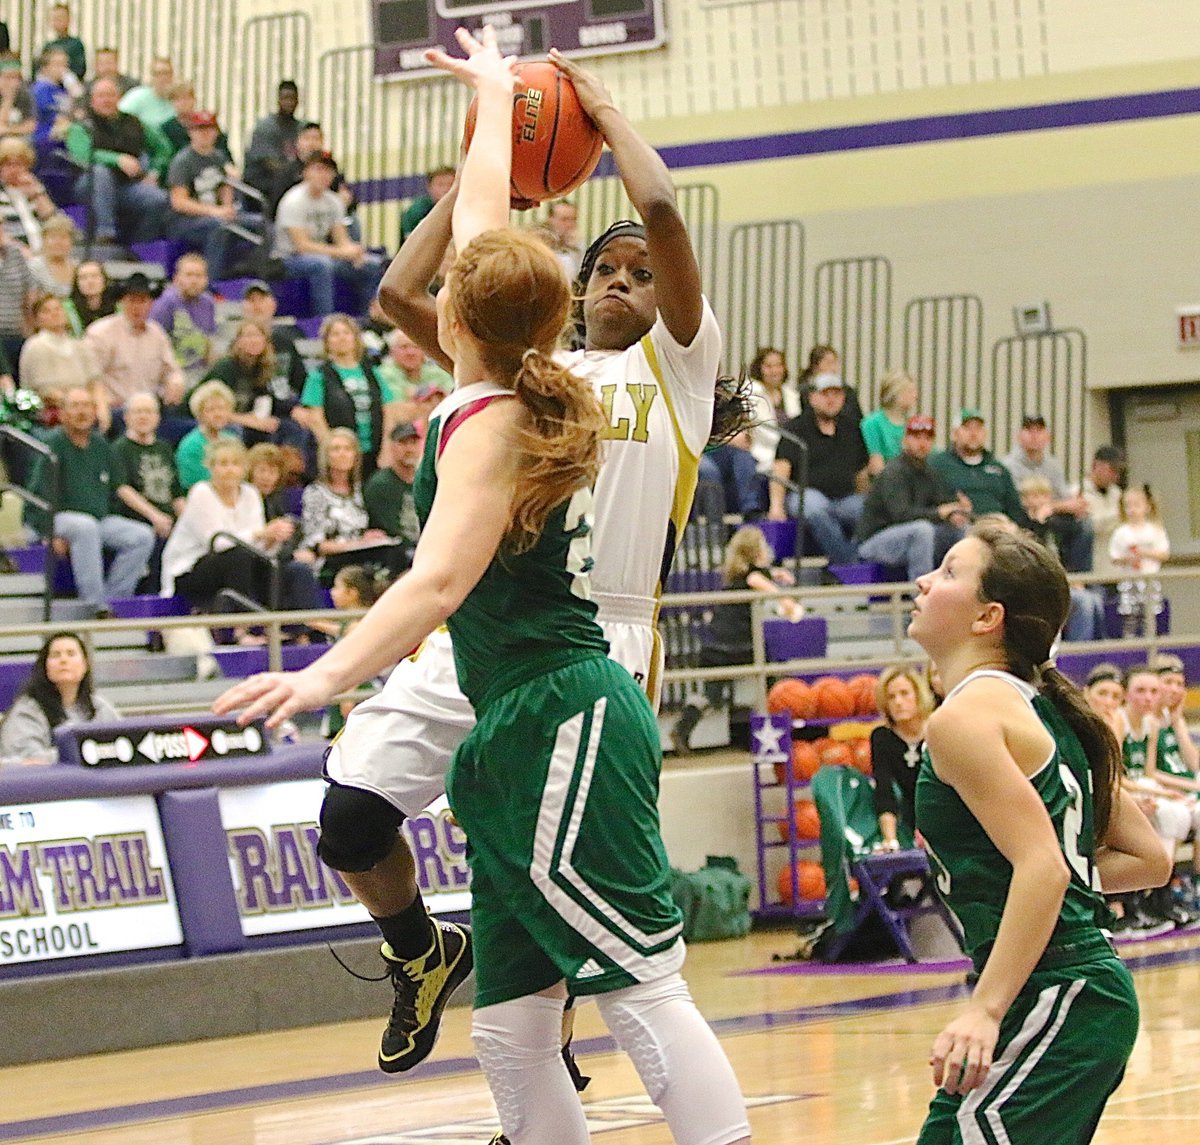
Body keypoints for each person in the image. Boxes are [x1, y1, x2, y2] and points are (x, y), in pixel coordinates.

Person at [215, 29, 748, 1145]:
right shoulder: (541, 379)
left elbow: (439, 570)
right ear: (555, 304)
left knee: (630, 974)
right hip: (503, 656)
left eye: (636, 274)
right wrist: (496, 112)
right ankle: (451, 981)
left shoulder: (648, 374)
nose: (621, 280)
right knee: (396, 861)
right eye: (598, 269)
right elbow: (460, 257)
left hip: (587, 652)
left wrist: (565, 106)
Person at [909, 523, 1170, 1143]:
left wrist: (985, 1008)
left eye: (948, 572)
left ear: (986, 617)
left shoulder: (965, 718)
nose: (924, 581)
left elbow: (1046, 867)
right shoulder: (1043, 708)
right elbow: (1150, 858)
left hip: (1057, 988)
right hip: (1069, 989)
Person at [670, 523, 803, 754]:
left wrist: (775, 574)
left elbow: (761, 575)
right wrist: (785, 600)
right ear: (756, 551)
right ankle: (778, 728)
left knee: (710, 694)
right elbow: (757, 581)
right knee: (771, 675)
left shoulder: (734, 575)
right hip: (737, 644)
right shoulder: (752, 576)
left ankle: (682, 729)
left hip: (715, 644)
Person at [160, 436, 319, 628]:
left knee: (295, 569)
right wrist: (261, 534)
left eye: (235, 464)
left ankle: (305, 633)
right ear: (210, 467)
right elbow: (217, 543)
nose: (229, 470)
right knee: (240, 557)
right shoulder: (201, 493)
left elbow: (260, 549)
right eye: (223, 464)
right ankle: (240, 630)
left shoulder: (250, 493)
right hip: (191, 569)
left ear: (244, 469)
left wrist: (272, 538)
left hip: (242, 563)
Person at [30, 387, 156, 613]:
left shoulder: (102, 446)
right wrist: (48, 532)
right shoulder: (52, 445)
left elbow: (116, 489)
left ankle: (115, 603)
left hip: (99, 519)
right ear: (63, 413)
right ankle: (94, 604)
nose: (82, 412)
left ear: (95, 411)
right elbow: (36, 495)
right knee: (84, 526)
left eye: (87, 406)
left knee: (141, 536)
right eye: (75, 406)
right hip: (60, 518)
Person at [769, 371, 868, 563]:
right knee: (815, 508)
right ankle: (848, 563)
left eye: (836, 394)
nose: (831, 399)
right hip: (805, 493)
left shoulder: (852, 428)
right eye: (825, 394)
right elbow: (781, 469)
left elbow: (861, 473)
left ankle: (854, 560)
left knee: (868, 510)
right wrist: (776, 506)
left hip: (845, 498)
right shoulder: (796, 428)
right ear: (812, 398)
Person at [855, 414, 969, 580]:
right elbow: (901, 515)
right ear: (905, 440)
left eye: (927, 438)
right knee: (922, 530)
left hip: (911, 536)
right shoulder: (894, 472)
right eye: (916, 437)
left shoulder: (930, 472)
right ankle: (923, 594)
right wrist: (940, 513)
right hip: (874, 541)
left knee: (960, 529)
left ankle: (960, 589)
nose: (922, 443)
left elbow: (942, 504)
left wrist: (955, 512)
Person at [274, 151, 384, 318]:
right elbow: (302, 246)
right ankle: (324, 320)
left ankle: (370, 319)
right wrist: (342, 252)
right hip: (288, 259)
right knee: (321, 265)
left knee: (372, 265)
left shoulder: (333, 202)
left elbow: (341, 240)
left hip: (324, 255)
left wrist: (355, 252)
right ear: (306, 172)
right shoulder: (293, 201)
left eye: (328, 171)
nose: (323, 175)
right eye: (318, 169)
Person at [67, 77, 170, 246]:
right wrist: (117, 159)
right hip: (89, 185)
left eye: (111, 95)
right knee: (101, 172)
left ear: (119, 98)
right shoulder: (80, 127)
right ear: (92, 100)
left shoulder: (135, 123)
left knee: (158, 199)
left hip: (126, 187)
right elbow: (83, 155)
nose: (107, 100)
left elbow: (163, 148)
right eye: (101, 96)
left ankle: (141, 247)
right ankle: (105, 234)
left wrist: (154, 172)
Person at [294, 313, 398, 478]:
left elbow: (390, 412)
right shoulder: (318, 376)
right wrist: (334, 453)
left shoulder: (374, 372)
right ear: (327, 342)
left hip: (374, 452)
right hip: (340, 457)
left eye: (346, 333)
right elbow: (316, 420)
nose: (341, 338)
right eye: (335, 334)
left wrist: (387, 449)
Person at [298, 426, 407, 584]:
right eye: (336, 449)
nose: (342, 454)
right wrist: (356, 544)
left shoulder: (359, 491)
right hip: (332, 558)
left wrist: (370, 536)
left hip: (361, 555)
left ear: (355, 456)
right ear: (326, 456)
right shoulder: (316, 492)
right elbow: (317, 544)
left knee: (396, 552)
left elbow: (362, 528)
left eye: (348, 449)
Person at [0, 632, 119, 766]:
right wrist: (82, 753)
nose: (64, 660)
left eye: (71, 654)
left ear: (85, 665)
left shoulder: (100, 707)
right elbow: (28, 761)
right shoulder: (27, 712)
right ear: (45, 667)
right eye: (56, 655)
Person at [166, 111, 257, 279]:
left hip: (217, 215)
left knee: (261, 224)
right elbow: (179, 202)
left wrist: (227, 207)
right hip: (186, 222)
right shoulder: (182, 161)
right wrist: (215, 212)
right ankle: (211, 283)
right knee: (219, 227)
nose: (205, 134)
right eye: (200, 129)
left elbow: (225, 189)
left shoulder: (219, 157)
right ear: (191, 132)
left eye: (209, 129)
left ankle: (252, 275)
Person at [1016, 475, 1105, 642]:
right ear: (1024, 500)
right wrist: (1040, 522)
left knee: (1096, 599)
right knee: (1084, 603)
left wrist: (1051, 516)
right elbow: (1032, 549)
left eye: (1043, 496)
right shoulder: (1022, 523)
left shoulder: (1057, 523)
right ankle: (1077, 653)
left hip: (1065, 579)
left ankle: (1097, 652)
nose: (1039, 501)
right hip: (1039, 584)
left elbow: (1075, 532)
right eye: (1034, 496)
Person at [111, 390, 183, 591]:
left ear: (158, 417)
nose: (144, 417)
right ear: (126, 417)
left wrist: (188, 522)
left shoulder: (165, 448)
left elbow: (176, 494)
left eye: (149, 412)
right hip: (138, 520)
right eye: (138, 412)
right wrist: (155, 516)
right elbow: (122, 488)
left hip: (168, 519)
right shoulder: (119, 448)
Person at [1002, 413, 1092, 572]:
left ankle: (1078, 577)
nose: (1034, 436)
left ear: (1047, 436)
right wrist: (1054, 506)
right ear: (1019, 436)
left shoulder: (1053, 465)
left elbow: (1065, 498)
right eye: (1029, 430)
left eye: (1039, 430)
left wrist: (1059, 507)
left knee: (1084, 524)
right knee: (1038, 523)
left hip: (1050, 515)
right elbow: (1019, 502)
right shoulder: (1008, 466)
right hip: (1022, 518)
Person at [85, 271, 185, 413]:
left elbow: (171, 370)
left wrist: (175, 382)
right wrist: (102, 405)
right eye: (132, 300)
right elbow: (91, 377)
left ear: (151, 303)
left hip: (150, 410)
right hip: (114, 410)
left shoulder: (157, 334)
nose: (137, 307)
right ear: (122, 302)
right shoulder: (100, 333)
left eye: (142, 300)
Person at [201, 318, 304, 450]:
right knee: (237, 430)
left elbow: (263, 403)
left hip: (244, 418)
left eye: (258, 336)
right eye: (248, 336)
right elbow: (210, 409)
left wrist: (263, 420)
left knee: (286, 426)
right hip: (211, 419)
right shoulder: (226, 367)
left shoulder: (263, 368)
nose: (253, 340)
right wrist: (249, 420)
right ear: (238, 341)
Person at [870, 665, 935, 850]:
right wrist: (890, 839)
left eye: (905, 693)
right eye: (891, 697)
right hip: (906, 821)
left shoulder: (937, 728)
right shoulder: (882, 737)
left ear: (918, 695)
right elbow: (884, 790)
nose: (898, 702)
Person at [928, 408, 1029, 526]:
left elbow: (1014, 509)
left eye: (978, 428)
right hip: (957, 527)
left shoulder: (999, 469)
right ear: (955, 434)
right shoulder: (937, 465)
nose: (973, 433)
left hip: (998, 526)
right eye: (967, 428)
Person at [18, 291, 104, 423]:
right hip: (51, 412)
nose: (54, 314)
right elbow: (45, 391)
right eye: (46, 311)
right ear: (37, 319)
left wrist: (100, 408)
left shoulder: (80, 345)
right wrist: (76, 406)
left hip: (84, 406)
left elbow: (95, 382)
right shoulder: (35, 346)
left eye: (58, 309)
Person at [1109, 484, 1169, 637]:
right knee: (1130, 617)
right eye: (1128, 506)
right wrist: (1129, 558)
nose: (1132, 510)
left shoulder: (1155, 530)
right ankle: (1130, 646)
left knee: (1150, 617)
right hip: (1129, 580)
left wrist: (1145, 553)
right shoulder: (1120, 533)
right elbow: (1114, 557)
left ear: (1147, 507)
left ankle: (1151, 645)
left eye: (1137, 505)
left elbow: (1164, 554)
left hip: (1150, 581)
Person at [150, 252, 217, 385]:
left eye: (198, 276)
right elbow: (153, 343)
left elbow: (209, 342)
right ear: (176, 278)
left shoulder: (208, 303)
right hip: (171, 374)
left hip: (198, 372)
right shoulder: (166, 303)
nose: (194, 281)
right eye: (189, 275)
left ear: (206, 279)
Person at [362, 421, 421, 556]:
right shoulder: (380, 484)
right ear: (392, 447)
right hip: (395, 552)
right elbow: (390, 530)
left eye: (413, 443)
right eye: (403, 443)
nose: (409, 449)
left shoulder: (426, 481)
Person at [244, 80, 301, 206]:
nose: (289, 102)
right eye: (285, 98)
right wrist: (296, 174)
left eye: (292, 99)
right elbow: (270, 164)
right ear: (278, 100)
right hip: (264, 186)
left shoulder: (300, 128)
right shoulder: (266, 127)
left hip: (289, 185)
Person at [174, 378, 237, 491]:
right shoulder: (191, 445)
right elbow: (192, 484)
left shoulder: (232, 440)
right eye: (211, 410)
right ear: (200, 414)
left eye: (222, 409)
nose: (218, 414)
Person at [1075, 444, 1125, 576]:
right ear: (1096, 465)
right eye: (1112, 469)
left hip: (1116, 567)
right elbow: (1091, 525)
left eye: (1118, 471)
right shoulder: (1078, 493)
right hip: (1091, 565)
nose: (1115, 476)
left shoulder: (1117, 494)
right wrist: (1120, 516)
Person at [860, 368, 918, 478]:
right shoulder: (872, 424)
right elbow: (876, 466)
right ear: (895, 394)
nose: (915, 396)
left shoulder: (913, 424)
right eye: (910, 391)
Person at [399, 164, 454, 244]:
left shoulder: (465, 210)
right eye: (440, 185)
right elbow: (411, 244)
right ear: (429, 187)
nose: (446, 189)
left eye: (450, 184)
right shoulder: (416, 211)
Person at [27, 211, 76, 296]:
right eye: (53, 237)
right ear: (44, 240)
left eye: (63, 237)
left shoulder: (77, 267)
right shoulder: (33, 268)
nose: (58, 242)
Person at [64, 259, 116, 333]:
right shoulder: (66, 309)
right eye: (83, 277)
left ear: (105, 280)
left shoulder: (119, 308)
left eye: (94, 276)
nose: (90, 281)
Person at [1082, 662, 1124, 744]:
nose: (1108, 702)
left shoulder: (1120, 724)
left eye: (1116, 696)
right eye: (1102, 693)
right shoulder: (1075, 725)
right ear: (1086, 693)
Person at [41, 4, 85, 82]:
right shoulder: (48, 46)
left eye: (60, 18)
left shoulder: (76, 44)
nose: (57, 21)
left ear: (68, 20)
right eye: (55, 19)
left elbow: (80, 69)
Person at [0, 54, 35, 140]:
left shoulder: (25, 93)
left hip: (18, 139)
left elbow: (31, 125)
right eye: (8, 77)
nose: (13, 82)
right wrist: (8, 99)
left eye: (16, 77)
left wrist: (9, 130)